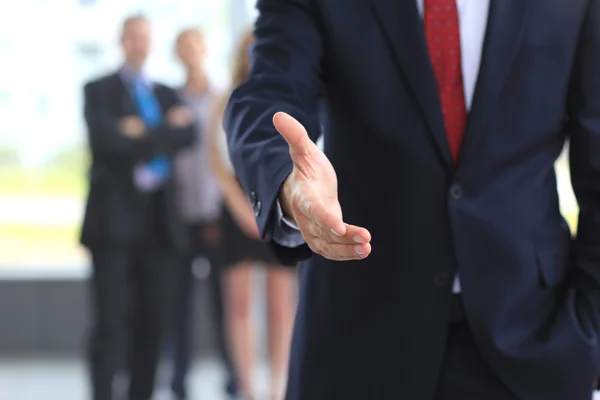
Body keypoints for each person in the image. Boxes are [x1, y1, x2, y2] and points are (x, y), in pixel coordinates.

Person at [224, 1, 600, 400]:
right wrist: (286, 182)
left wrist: (592, 329)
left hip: (536, 336)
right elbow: (267, 94)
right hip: (358, 340)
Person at [81, 15, 195, 400]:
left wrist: (140, 129)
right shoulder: (98, 90)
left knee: (153, 321)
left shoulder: (165, 93)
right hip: (112, 225)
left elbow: (190, 134)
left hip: (159, 225)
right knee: (111, 322)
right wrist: (164, 130)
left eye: (145, 37)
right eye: (133, 36)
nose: (140, 43)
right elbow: (106, 141)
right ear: (122, 41)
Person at [210, 28, 297, 400]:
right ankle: (248, 388)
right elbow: (213, 159)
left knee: (281, 305)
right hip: (236, 207)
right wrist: (240, 207)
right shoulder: (226, 99)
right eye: (249, 49)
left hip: (278, 205)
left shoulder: (290, 96)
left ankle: (278, 387)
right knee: (240, 303)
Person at [169, 28, 238, 400]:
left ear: (204, 50)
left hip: (216, 220)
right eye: (183, 48)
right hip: (180, 221)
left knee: (224, 305)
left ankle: (234, 378)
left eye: (195, 46)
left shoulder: (223, 100)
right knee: (178, 307)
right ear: (177, 54)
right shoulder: (169, 102)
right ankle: (178, 382)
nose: (190, 54)